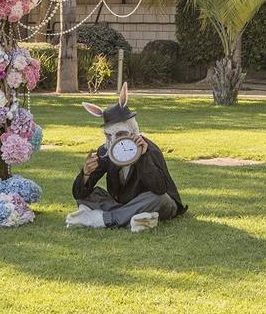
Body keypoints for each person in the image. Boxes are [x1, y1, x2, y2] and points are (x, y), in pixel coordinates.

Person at [65, 83, 186, 232]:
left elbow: (159, 189)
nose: (115, 141)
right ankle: (140, 219)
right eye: (109, 136)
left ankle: (104, 219)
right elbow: (79, 194)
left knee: (160, 199)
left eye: (120, 134)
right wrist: (85, 174)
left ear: (132, 130)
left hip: (158, 202)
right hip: (124, 204)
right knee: (87, 195)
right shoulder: (107, 150)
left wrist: (143, 157)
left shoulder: (150, 149)